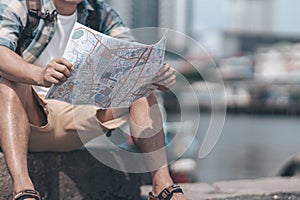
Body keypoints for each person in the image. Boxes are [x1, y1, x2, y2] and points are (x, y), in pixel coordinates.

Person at [0, 0, 188, 199]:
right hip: (30, 117)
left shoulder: (99, 12)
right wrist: (39, 75)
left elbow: (135, 56)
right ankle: (23, 189)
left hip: (82, 118)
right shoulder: (20, 5)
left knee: (141, 83)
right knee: (9, 82)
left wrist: (156, 76)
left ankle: (163, 187)